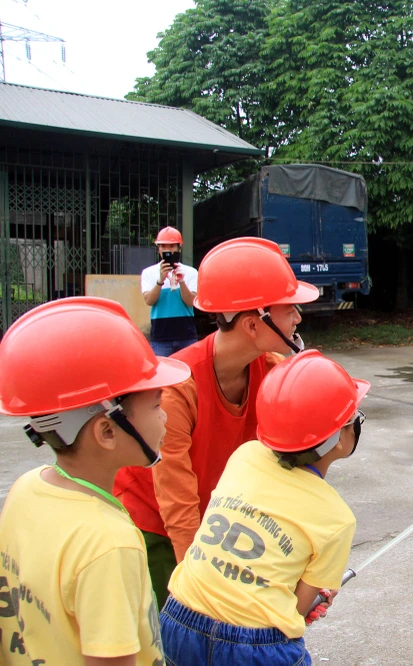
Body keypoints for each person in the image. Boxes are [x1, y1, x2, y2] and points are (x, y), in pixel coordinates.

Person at [115, 237, 319, 610]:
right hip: (156, 523)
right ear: (253, 325)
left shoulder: (272, 374)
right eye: (289, 307)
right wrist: (201, 586)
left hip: (217, 522)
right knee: (171, 628)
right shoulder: (179, 386)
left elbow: (293, 471)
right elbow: (175, 497)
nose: (298, 317)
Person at [0, 297, 191, 665]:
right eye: (155, 405)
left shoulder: (26, 489)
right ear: (107, 430)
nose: (166, 418)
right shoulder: (109, 544)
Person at [161, 350, 368, 665]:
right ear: (338, 439)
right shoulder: (336, 519)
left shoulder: (246, 454)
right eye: (357, 418)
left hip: (179, 616)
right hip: (256, 645)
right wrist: (314, 599)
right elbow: (299, 608)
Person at [141, 226, 200, 356]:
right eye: (163, 246)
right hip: (160, 337)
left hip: (187, 336)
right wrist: (160, 280)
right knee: (163, 374)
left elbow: (191, 302)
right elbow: (149, 301)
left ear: (179, 248)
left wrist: (182, 281)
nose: (167, 250)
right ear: (158, 249)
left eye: (172, 246)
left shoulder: (191, 272)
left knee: (190, 374)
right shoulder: (149, 273)